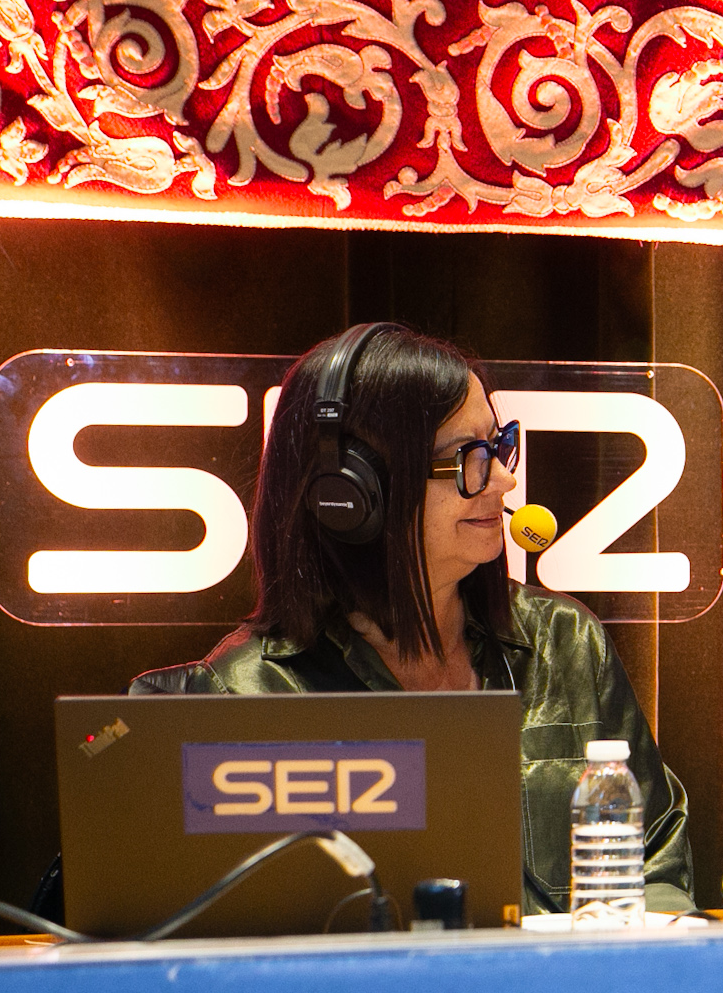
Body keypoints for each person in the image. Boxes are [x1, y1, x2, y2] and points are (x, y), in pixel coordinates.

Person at [129, 323, 694, 914]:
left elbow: (657, 863)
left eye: (498, 445)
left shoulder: (566, 643)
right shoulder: (241, 694)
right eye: (469, 457)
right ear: (353, 495)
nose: (505, 479)